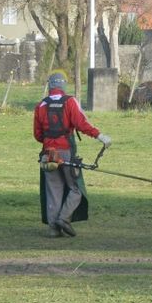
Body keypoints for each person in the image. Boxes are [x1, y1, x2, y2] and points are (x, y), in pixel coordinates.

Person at [34, 71, 111, 237]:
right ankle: (63, 218)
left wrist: (50, 142)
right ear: (63, 85)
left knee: (53, 191)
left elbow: (38, 134)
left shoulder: (41, 105)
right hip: (66, 152)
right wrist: (100, 136)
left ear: (50, 85)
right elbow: (81, 124)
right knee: (75, 189)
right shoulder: (70, 102)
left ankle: (54, 229)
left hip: (48, 155)